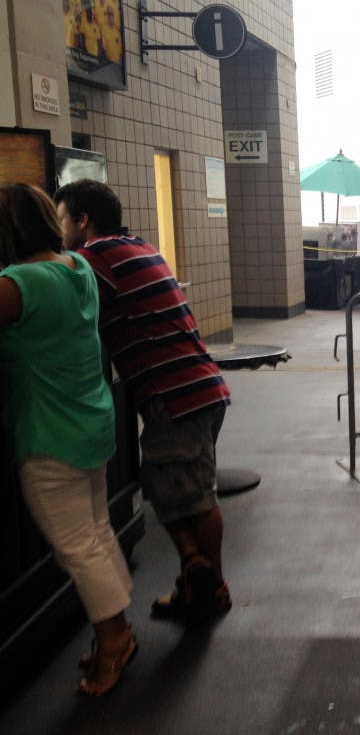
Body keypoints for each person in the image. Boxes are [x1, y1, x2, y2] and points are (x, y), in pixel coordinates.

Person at [54, 179, 233, 624]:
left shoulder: (92, 257)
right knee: (166, 484)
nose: (58, 230)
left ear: (82, 221)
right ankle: (196, 577)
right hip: (201, 389)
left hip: (174, 398)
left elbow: (50, 288)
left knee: (193, 497)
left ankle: (213, 586)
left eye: (60, 218)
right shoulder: (139, 247)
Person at [0, 184, 135, 696]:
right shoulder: (78, 270)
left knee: (79, 547)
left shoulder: (19, 283)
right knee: (97, 535)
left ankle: (115, 640)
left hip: (49, 436)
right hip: (91, 422)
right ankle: (117, 631)